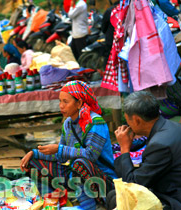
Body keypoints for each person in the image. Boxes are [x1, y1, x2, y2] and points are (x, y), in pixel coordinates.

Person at [107, 91, 181, 210]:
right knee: (114, 195)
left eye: (127, 120)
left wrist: (124, 148)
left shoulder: (160, 144)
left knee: (120, 200)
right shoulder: (172, 127)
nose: (127, 124)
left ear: (136, 120)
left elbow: (133, 183)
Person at [21, 80, 117, 210]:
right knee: (33, 162)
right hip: (75, 175)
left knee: (80, 162)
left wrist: (60, 149)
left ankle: (89, 207)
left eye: (65, 102)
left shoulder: (96, 123)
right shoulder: (68, 123)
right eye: (60, 101)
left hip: (101, 181)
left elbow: (91, 155)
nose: (61, 106)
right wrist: (34, 153)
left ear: (79, 103)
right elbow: (61, 157)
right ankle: (51, 201)